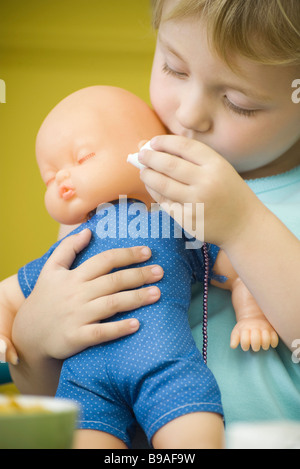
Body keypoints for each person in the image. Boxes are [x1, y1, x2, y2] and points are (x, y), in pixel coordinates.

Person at [8, 0, 300, 445]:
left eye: (239, 103)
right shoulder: (121, 194)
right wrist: (35, 337)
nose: (188, 114)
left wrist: (242, 226)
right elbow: (61, 393)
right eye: (174, 69)